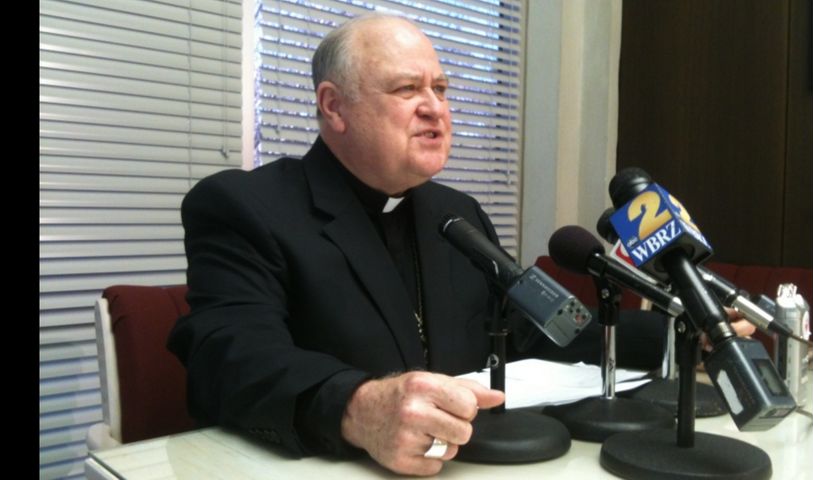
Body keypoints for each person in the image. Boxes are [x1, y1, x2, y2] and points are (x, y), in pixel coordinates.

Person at [168, 13, 755, 477]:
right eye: (407, 89)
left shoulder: (456, 213)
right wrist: (358, 407)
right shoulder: (247, 206)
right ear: (333, 106)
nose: (436, 108)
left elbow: (537, 332)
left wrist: (684, 334)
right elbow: (229, 357)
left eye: (441, 88)